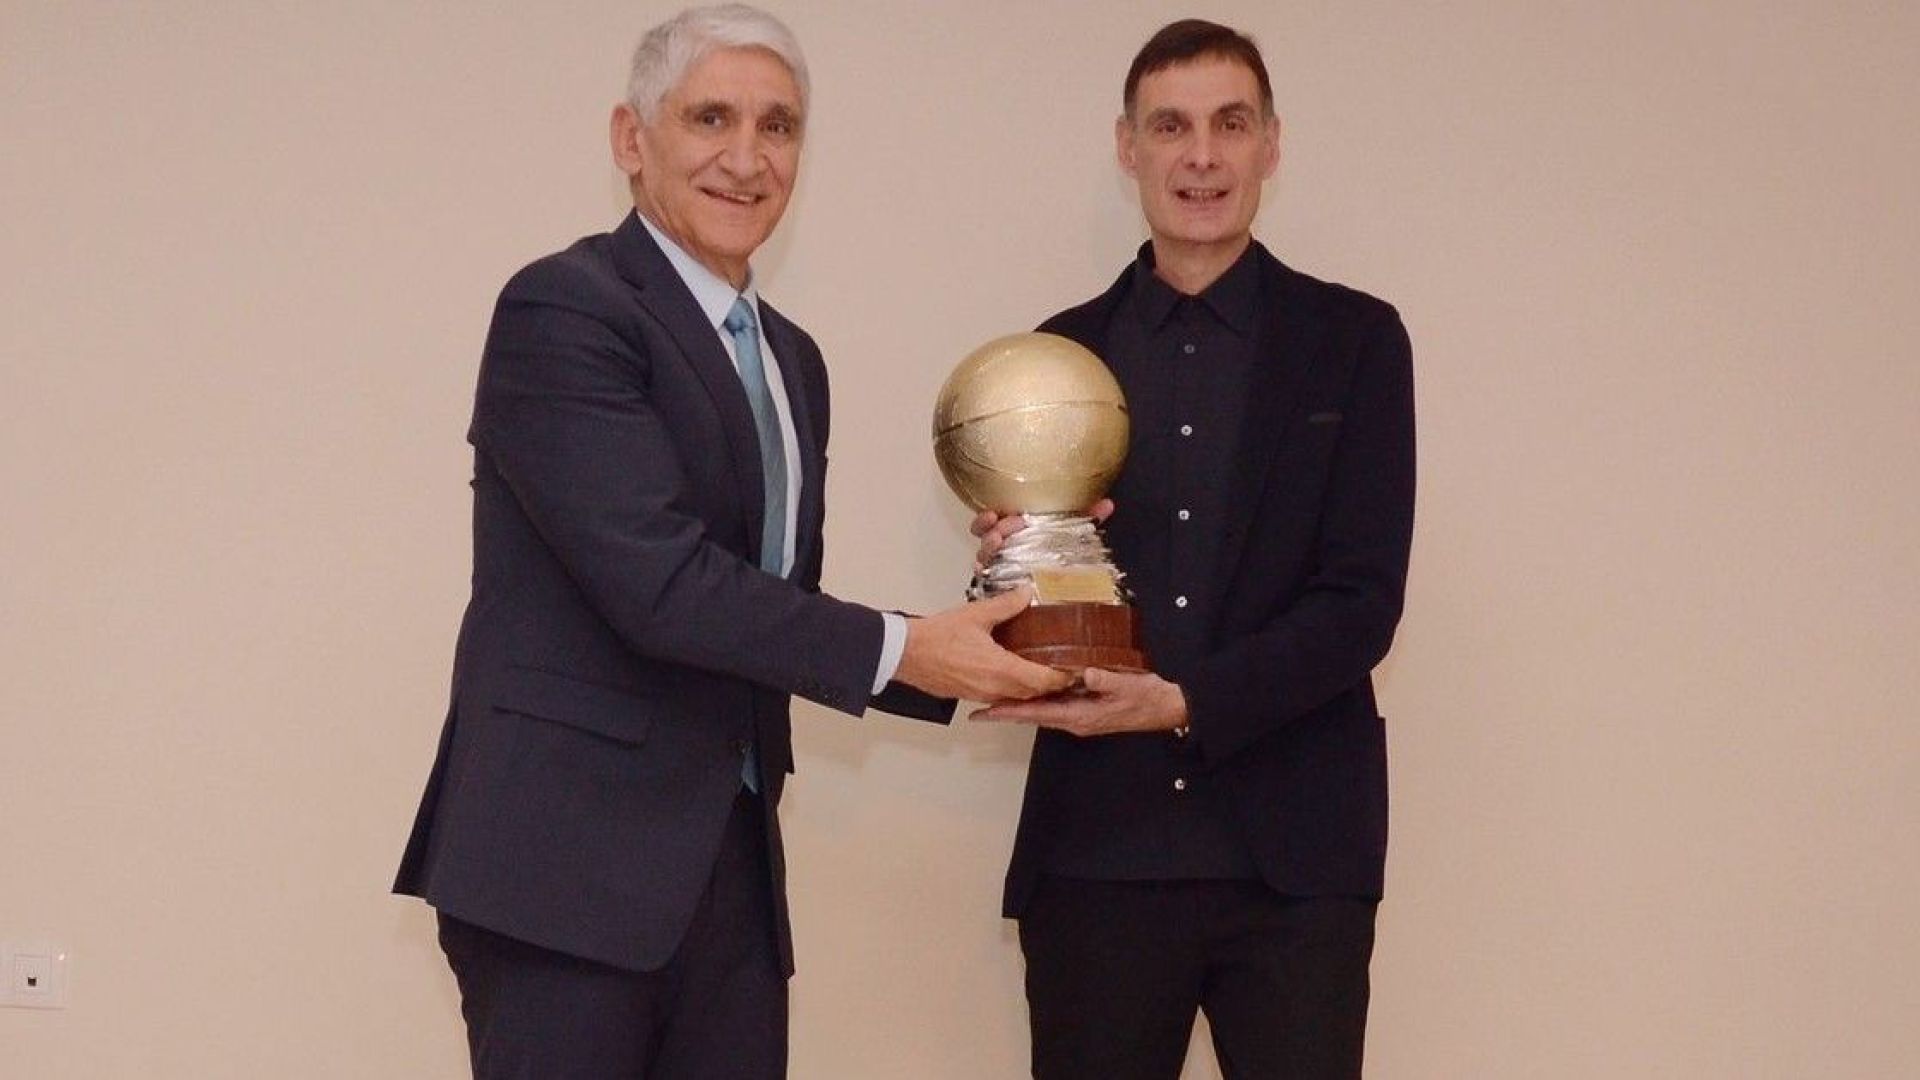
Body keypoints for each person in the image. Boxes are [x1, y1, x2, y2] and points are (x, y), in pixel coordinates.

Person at [393, 6, 1069, 1077]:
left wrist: (1001, 605)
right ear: (632, 138)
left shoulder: (793, 360)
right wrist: (911, 653)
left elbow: (764, 609)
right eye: (711, 118)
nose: (747, 159)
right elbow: (661, 587)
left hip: (730, 877)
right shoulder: (564, 309)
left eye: (778, 126)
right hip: (561, 877)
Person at [975, 19, 1416, 1079]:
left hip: (1296, 868)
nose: (1202, 156)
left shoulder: (1356, 342)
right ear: (1127, 147)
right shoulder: (1058, 355)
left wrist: (1182, 702)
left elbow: (1361, 603)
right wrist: (1007, 565)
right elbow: (1038, 606)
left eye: (1230, 124)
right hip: (1098, 858)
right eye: (1171, 126)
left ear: (1272, 144)